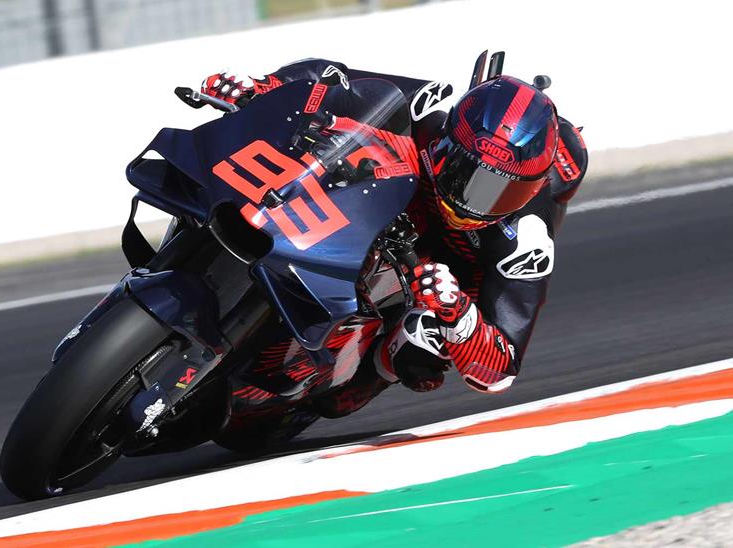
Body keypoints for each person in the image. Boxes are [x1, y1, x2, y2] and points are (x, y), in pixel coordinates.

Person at [201, 57, 587, 417]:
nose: (477, 202)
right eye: (468, 176)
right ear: (448, 143)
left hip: (439, 276)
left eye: (506, 193)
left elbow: (500, 371)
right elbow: (331, 80)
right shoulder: (421, 108)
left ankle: (370, 374)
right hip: (375, 205)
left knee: (421, 341)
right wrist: (261, 89)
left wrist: (458, 310)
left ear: (532, 190)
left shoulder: (526, 241)